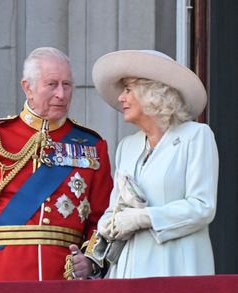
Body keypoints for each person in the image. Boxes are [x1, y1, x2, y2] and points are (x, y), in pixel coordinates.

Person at [0, 47, 113, 282]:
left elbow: (103, 216)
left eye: (67, 85)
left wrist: (91, 261)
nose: (61, 94)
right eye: (51, 84)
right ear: (28, 87)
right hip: (3, 276)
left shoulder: (92, 145)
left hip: (64, 279)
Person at [89, 49, 219, 278]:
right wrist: (107, 223)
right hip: (128, 270)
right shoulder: (126, 146)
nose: (121, 98)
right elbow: (115, 207)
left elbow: (202, 206)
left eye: (128, 90)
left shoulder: (196, 136)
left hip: (175, 268)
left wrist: (144, 217)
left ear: (152, 93)